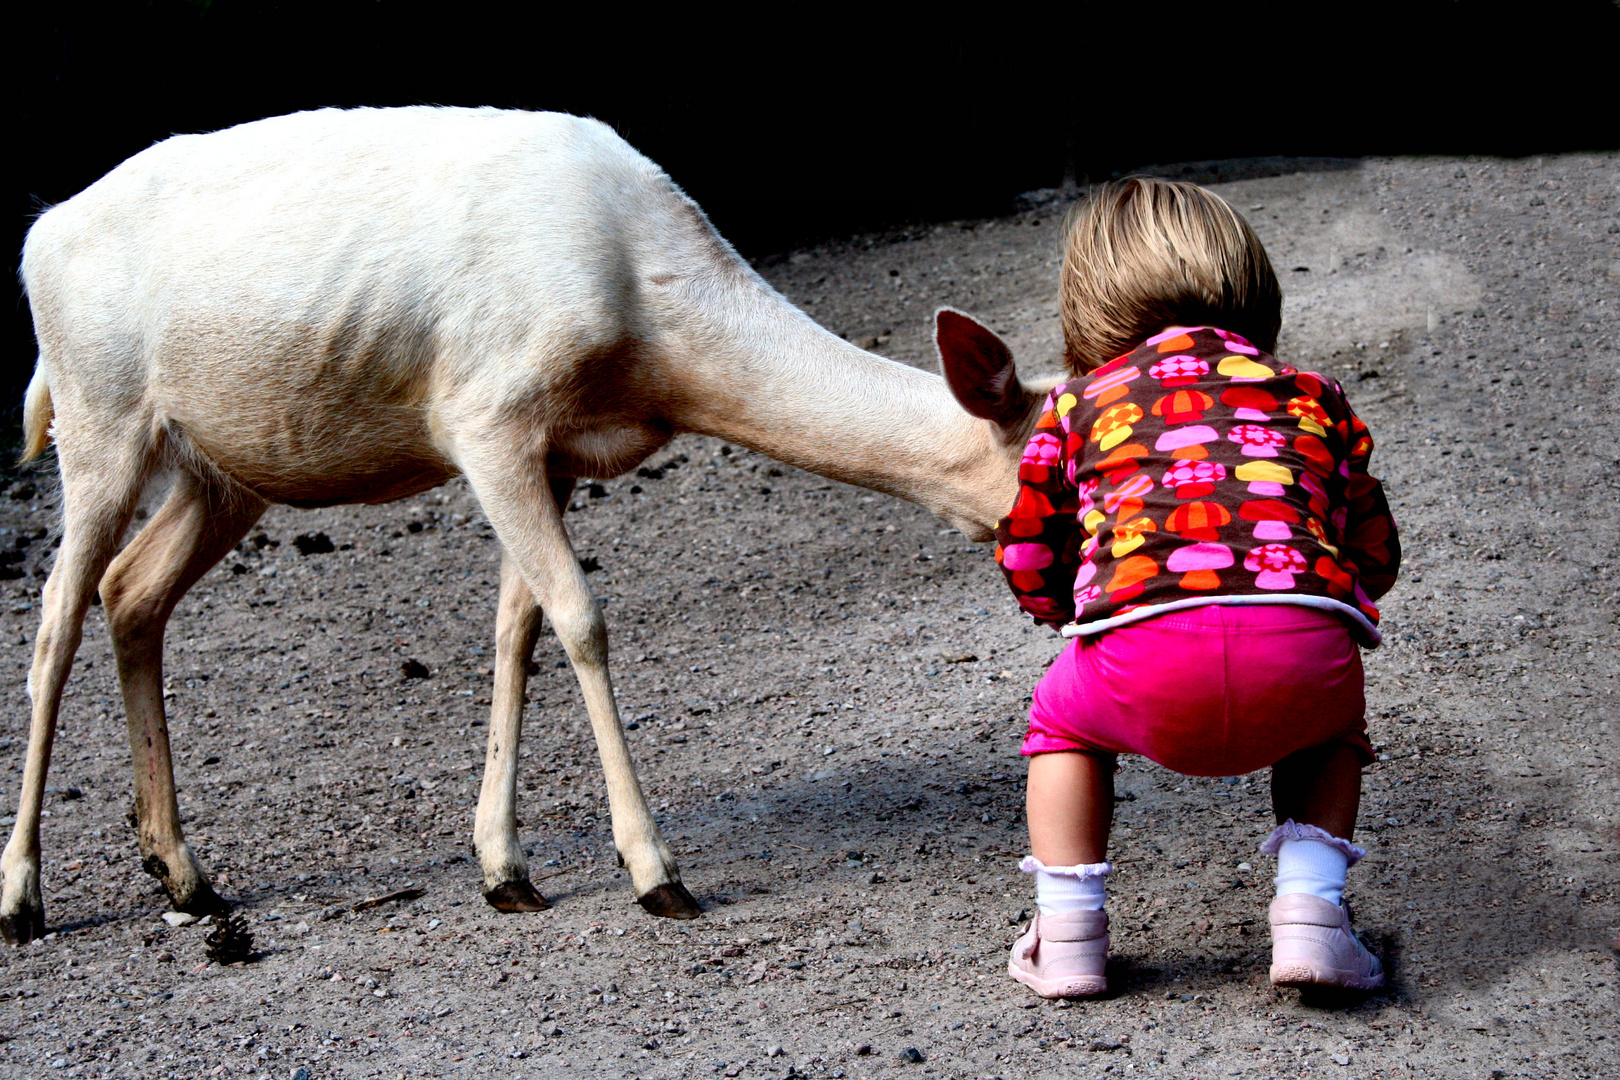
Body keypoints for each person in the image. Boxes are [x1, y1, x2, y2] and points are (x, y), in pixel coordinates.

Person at [996, 177, 1400, 998]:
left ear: (1090, 305)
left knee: (1060, 725)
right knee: (1335, 728)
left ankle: (1069, 934)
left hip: (1139, 668)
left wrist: (1062, 610)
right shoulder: (1317, 397)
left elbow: (1032, 550)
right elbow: (1374, 550)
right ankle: (1314, 918)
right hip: (1301, 664)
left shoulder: (1075, 406)